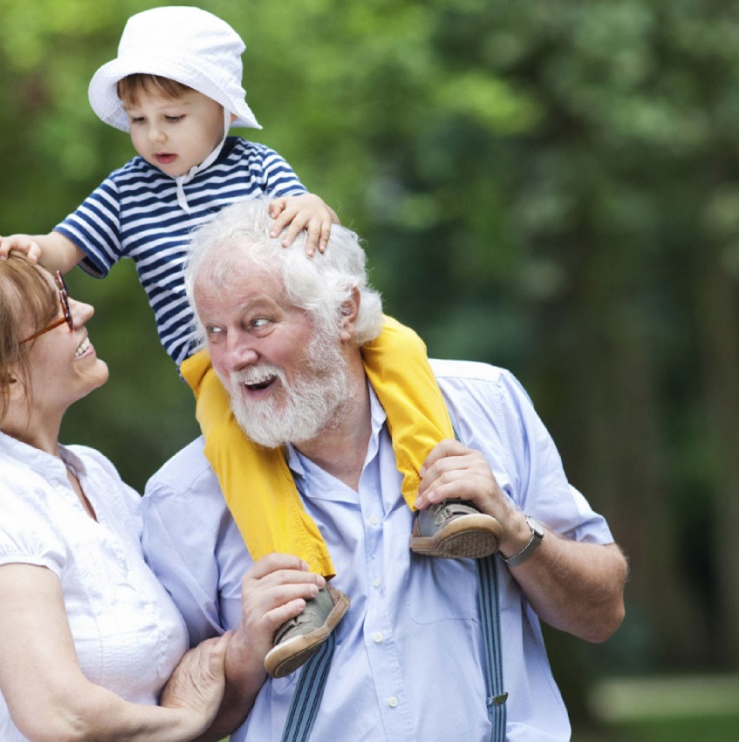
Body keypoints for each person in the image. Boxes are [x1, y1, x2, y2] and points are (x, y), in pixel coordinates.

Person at [0, 5, 500, 678]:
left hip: (299, 327)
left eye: (173, 116)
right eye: (138, 120)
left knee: (402, 350)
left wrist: (314, 209)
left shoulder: (257, 166)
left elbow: (307, 212)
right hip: (212, 363)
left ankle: (438, 498)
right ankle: (303, 582)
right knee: (232, 444)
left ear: (220, 108)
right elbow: (61, 247)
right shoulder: (127, 191)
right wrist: (24, 249)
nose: (154, 135)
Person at [141, 197, 629, 741]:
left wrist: (516, 531)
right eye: (214, 332)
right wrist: (242, 653)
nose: (232, 357)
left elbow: (602, 612)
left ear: (344, 312)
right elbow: (171, 725)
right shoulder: (180, 498)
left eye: (257, 323)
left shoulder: (488, 405)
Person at [0, 252, 230, 741]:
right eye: (59, 313)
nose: (84, 311)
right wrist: (186, 722)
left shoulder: (91, 473)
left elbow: (176, 680)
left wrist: (246, 645)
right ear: (2, 378)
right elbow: (61, 716)